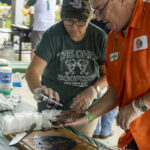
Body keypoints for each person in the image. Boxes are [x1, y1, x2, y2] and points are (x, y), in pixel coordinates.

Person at [50, 0, 150, 149]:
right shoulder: (113, 39)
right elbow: (116, 89)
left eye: (100, 9)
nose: (98, 18)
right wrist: (86, 115)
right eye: (95, 12)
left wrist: (139, 105)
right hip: (136, 136)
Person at [25, 0, 108, 137]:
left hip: (85, 111)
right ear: (62, 17)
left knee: (82, 144)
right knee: (49, 143)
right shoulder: (53, 35)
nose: (75, 27)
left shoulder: (99, 37)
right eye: (69, 21)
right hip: (52, 110)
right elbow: (32, 72)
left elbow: (108, 75)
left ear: (90, 16)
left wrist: (94, 89)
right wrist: (39, 91)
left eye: (81, 21)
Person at [91, 19, 117, 139]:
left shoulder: (92, 21)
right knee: (110, 92)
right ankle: (105, 130)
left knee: (102, 94)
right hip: (112, 60)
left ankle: (96, 130)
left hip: (98, 64)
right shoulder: (114, 20)